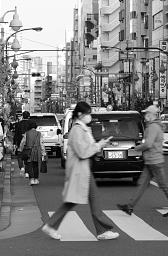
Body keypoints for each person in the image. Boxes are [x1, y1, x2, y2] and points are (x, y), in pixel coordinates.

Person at [42, 102, 119, 241]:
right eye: (88, 113)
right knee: (87, 200)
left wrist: (100, 145)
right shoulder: (77, 130)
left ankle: (52, 225)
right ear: (80, 114)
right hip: (80, 171)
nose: (90, 116)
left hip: (83, 170)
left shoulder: (82, 128)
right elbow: (82, 152)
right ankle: (102, 230)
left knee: (75, 201)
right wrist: (98, 145)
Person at [117, 105, 168, 218]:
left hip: (154, 160)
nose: (145, 117)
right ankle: (130, 206)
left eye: (146, 114)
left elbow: (148, 144)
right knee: (142, 184)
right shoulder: (154, 126)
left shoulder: (153, 127)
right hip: (151, 160)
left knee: (163, 185)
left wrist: (137, 148)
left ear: (151, 115)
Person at [19, 121, 46, 185]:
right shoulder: (39, 134)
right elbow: (41, 143)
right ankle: (36, 179)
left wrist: (20, 149)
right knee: (36, 165)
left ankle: (31, 179)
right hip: (37, 150)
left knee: (29, 165)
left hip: (29, 150)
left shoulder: (27, 133)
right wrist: (43, 152)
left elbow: (23, 142)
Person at [14, 111, 31, 176]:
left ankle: (21, 167)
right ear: (29, 116)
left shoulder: (18, 124)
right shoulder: (30, 123)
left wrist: (14, 143)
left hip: (19, 141)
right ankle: (27, 172)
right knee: (27, 156)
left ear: (22, 116)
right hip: (28, 142)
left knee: (20, 156)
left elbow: (16, 134)